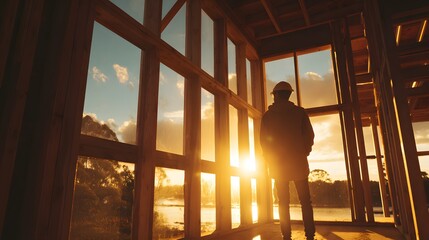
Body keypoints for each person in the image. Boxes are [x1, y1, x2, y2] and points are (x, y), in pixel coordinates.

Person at [260, 81, 315, 240]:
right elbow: (309, 136)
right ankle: (310, 235)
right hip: (299, 163)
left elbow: (264, 142)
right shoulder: (300, 113)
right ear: (289, 94)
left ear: (276, 95)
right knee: (305, 201)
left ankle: (286, 236)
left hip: (278, 166)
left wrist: (270, 160)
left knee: (283, 202)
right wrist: (304, 151)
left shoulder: (268, 116)